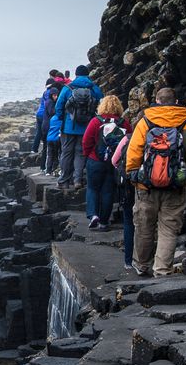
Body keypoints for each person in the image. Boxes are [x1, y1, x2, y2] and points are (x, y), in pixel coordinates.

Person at [125, 87, 186, 276]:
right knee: (169, 228)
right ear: (176, 102)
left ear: (156, 100)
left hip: (146, 185)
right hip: (175, 184)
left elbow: (134, 151)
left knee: (144, 226)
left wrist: (133, 175)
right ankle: (162, 269)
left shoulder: (145, 121)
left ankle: (142, 265)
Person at [82, 96, 131, 231]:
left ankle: (93, 215)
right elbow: (129, 142)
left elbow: (86, 141)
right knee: (108, 191)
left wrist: (88, 155)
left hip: (95, 160)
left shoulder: (95, 121)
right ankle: (104, 222)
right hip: (114, 163)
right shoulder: (124, 123)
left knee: (92, 188)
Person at [54, 65, 102, 189]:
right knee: (80, 153)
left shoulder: (68, 88)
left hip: (68, 127)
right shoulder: (93, 88)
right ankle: (77, 180)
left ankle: (64, 181)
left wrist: (62, 118)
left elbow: (59, 106)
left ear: (76, 75)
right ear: (88, 74)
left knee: (66, 153)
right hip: (86, 127)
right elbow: (101, 102)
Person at [111, 131, 134, 271]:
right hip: (153, 186)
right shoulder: (165, 135)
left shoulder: (128, 138)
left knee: (129, 222)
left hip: (129, 186)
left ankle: (129, 261)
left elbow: (114, 161)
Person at [33, 77, 56, 153]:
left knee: (39, 132)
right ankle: (45, 149)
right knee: (45, 132)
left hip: (39, 113)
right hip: (44, 115)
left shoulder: (45, 92)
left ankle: (34, 149)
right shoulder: (51, 93)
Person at [43, 88, 62, 174]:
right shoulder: (59, 119)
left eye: (57, 95)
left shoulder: (52, 119)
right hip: (55, 137)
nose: (56, 97)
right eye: (54, 95)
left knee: (50, 154)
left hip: (49, 137)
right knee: (57, 154)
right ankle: (54, 169)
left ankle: (48, 170)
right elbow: (51, 112)